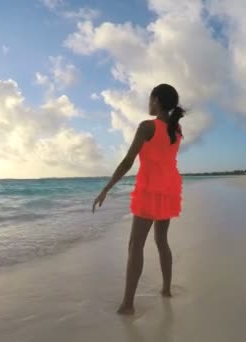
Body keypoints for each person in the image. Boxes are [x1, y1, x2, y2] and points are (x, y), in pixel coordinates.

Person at [92, 83, 184, 315]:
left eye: (150, 99)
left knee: (136, 244)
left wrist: (106, 188)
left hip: (150, 188)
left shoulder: (147, 127)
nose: (148, 103)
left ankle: (128, 304)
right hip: (169, 187)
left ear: (156, 101)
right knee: (161, 241)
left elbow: (127, 161)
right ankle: (166, 290)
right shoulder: (177, 129)